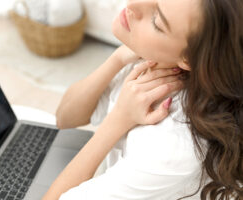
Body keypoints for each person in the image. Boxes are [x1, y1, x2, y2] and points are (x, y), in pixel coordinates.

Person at [42, 0, 243, 199]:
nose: (133, 4)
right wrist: (117, 58)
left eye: (156, 21)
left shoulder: (169, 150)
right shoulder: (156, 62)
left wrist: (118, 119)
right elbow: (65, 118)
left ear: (189, 58)